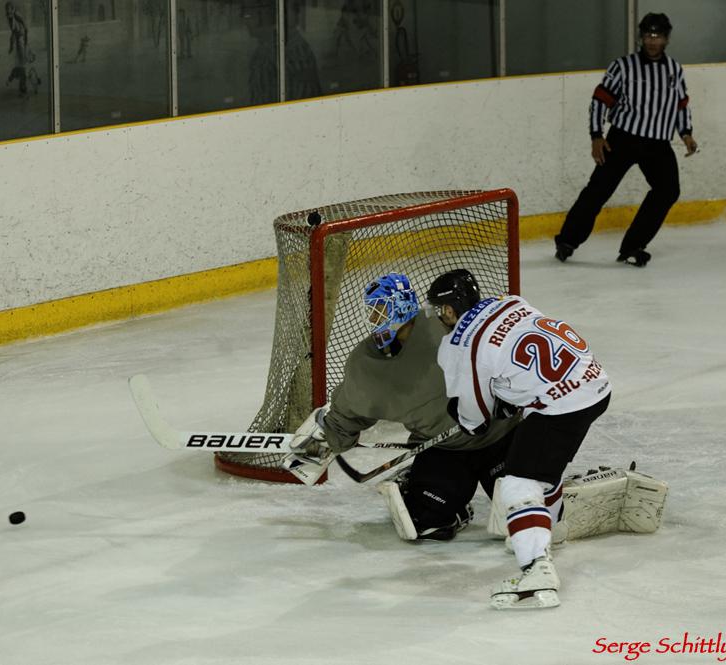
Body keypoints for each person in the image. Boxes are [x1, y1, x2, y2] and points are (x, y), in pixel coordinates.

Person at [427, 269, 612, 609]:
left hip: (561, 405)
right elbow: (521, 360)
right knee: (542, 463)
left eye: (440, 311)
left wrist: (473, 420)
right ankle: (550, 528)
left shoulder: (458, 344)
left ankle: (536, 568)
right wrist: (510, 398)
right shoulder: (509, 302)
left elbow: (475, 414)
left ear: (449, 310)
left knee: (518, 482)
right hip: (596, 384)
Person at [285, 272, 519, 541]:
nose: (374, 319)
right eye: (372, 312)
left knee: (525, 516)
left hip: (500, 436)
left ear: (402, 305)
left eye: (381, 309)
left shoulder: (446, 324)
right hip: (444, 448)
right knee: (427, 524)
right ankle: (431, 493)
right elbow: (351, 409)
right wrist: (329, 436)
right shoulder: (369, 362)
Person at [554, 12, 698, 268]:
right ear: (641, 38)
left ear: (667, 39)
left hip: (657, 144)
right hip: (622, 139)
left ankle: (633, 245)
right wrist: (596, 135)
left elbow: (680, 105)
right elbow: (600, 100)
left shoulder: (674, 70)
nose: (652, 41)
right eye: (648, 35)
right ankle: (567, 240)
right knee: (598, 190)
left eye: (658, 36)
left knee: (668, 191)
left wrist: (686, 133)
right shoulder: (623, 66)